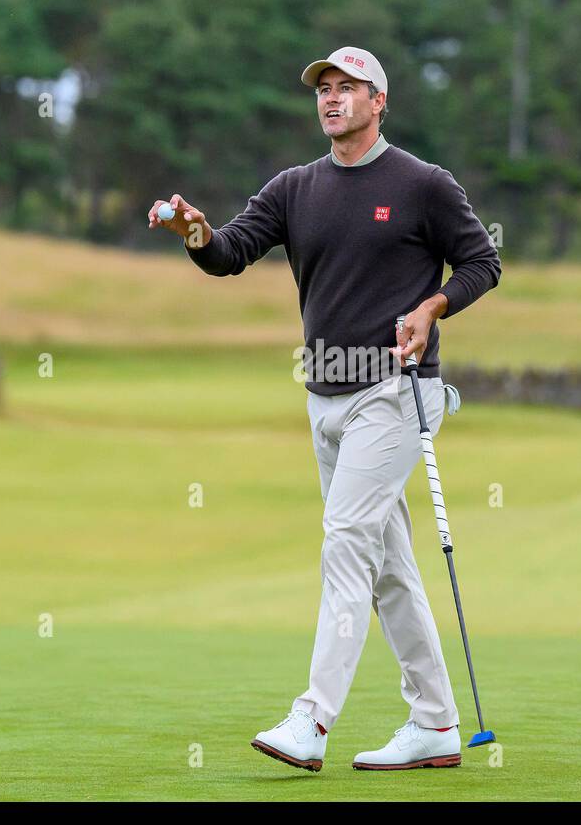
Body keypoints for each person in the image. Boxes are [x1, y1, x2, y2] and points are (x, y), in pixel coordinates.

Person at [148, 46, 501, 771]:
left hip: (397, 392)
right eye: (325, 89)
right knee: (388, 567)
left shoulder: (422, 184)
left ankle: (313, 719)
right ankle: (435, 723)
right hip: (326, 398)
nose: (332, 99)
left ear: (379, 103)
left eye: (349, 88)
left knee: (345, 539)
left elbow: (482, 263)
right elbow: (230, 253)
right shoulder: (295, 188)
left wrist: (433, 306)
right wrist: (196, 234)